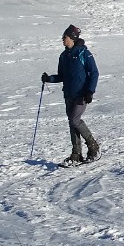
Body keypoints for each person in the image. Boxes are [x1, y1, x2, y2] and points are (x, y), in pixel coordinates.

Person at [41, 24, 100, 166]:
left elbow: (94, 73)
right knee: (72, 123)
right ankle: (76, 154)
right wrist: (49, 79)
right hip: (68, 94)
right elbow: (62, 76)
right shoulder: (63, 56)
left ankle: (93, 147)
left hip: (82, 94)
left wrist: (90, 91)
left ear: (72, 38)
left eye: (65, 37)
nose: (62, 39)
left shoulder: (83, 53)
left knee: (75, 120)